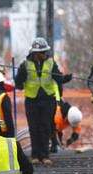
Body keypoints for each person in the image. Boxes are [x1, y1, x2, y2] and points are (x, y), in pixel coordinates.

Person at [15, 37, 73, 165]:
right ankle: (35, 156)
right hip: (32, 101)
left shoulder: (51, 63)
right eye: (43, 52)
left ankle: (45, 155)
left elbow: (58, 78)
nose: (45, 54)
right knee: (34, 128)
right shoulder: (25, 65)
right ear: (36, 53)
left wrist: (65, 79)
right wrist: (20, 73)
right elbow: (18, 83)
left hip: (47, 100)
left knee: (45, 128)